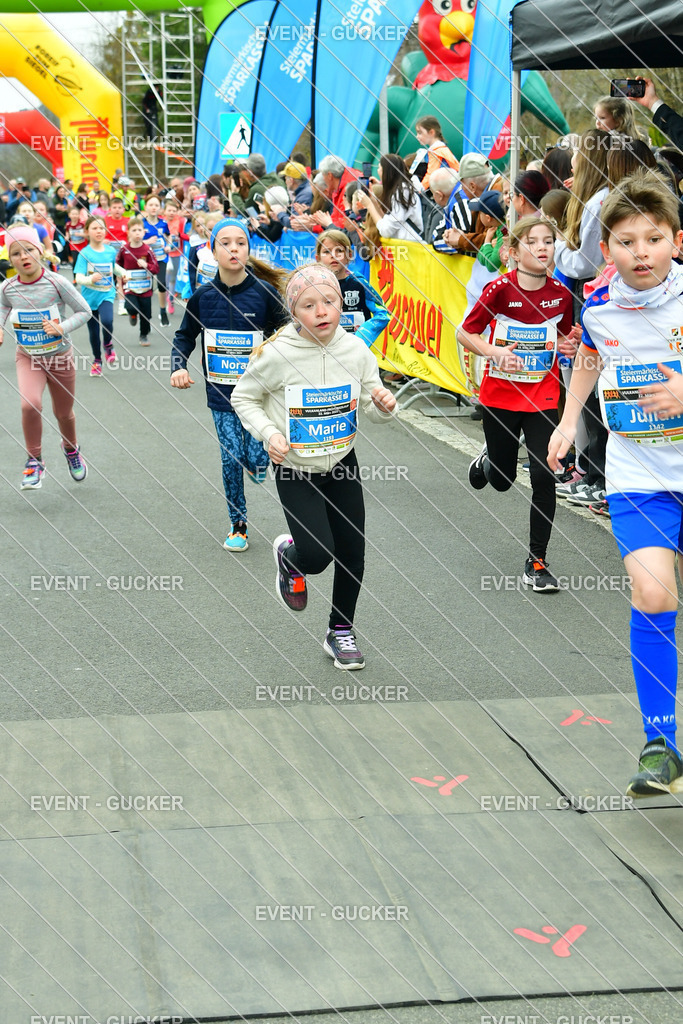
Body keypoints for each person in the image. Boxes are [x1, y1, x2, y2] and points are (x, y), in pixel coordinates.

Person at [548, 171, 683, 797]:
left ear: (675, 241)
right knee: (653, 595)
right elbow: (589, 358)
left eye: (653, 239)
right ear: (607, 251)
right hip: (639, 476)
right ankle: (661, 742)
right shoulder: (598, 307)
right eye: (626, 242)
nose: (641, 252)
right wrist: (571, 420)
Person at [231, 264, 397, 670]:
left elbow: (371, 406)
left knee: (353, 553)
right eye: (309, 305)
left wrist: (383, 406)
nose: (321, 311)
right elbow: (243, 398)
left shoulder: (356, 350)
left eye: (329, 302)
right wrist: (270, 434)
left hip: (342, 462)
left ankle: (340, 631)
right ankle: (292, 558)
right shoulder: (277, 353)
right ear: (293, 311)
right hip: (295, 466)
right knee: (318, 554)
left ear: (341, 304)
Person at [457, 216, 575, 591]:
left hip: (543, 395)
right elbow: (465, 333)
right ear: (513, 251)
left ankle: (537, 562)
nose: (542, 248)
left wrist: (567, 346)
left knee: (544, 475)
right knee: (504, 481)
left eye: (548, 241)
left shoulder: (561, 294)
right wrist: (494, 352)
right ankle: (491, 459)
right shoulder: (499, 290)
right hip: (501, 396)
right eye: (533, 242)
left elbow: (562, 339)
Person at [170, 218, 288, 551]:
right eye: (225, 243)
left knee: (254, 455)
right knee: (230, 457)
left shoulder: (265, 294)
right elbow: (184, 336)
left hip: (261, 394)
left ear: (249, 250)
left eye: (240, 242)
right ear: (212, 250)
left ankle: (259, 461)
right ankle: (238, 524)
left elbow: (287, 335)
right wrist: (178, 366)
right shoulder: (203, 297)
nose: (233, 248)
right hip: (221, 394)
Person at [0, 225, 90, 489]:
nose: (23, 256)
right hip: (28, 357)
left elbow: (84, 311)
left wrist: (61, 327)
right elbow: (3, 307)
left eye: (29, 249)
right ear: (10, 259)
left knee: (63, 413)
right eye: (16, 253)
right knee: (30, 405)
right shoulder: (7, 287)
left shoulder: (56, 282)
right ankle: (34, 461)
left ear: (39, 251)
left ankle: (71, 450)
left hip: (60, 356)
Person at [315, 229, 389, 346]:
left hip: (356, 351)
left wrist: (363, 335)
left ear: (349, 255)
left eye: (339, 250)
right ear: (317, 258)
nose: (333, 255)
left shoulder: (359, 283)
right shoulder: (313, 287)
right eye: (327, 251)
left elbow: (383, 313)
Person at [74, 215, 123, 375]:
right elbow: (78, 277)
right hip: (89, 299)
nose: (99, 231)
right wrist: (90, 279)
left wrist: (124, 273)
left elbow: (114, 268)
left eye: (101, 228)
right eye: (94, 228)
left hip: (106, 294)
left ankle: (108, 344)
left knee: (108, 321)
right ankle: (97, 360)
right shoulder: (84, 253)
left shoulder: (110, 251)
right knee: (93, 332)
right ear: (87, 231)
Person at [356, 153, 423, 241]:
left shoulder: (402, 192)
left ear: (386, 171)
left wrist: (369, 205)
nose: (378, 171)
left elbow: (386, 230)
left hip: (411, 248)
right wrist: (373, 200)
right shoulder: (403, 189)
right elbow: (387, 222)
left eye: (379, 167)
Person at [115, 216, 158, 345]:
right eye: (134, 230)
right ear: (128, 232)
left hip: (145, 288)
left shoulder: (147, 250)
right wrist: (120, 278)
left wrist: (147, 266)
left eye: (140, 230)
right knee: (131, 307)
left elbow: (156, 268)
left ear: (144, 232)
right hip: (130, 287)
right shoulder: (124, 249)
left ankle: (143, 335)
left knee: (146, 315)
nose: (137, 232)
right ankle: (133, 315)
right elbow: (117, 265)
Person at [142, 194, 171, 326]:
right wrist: (146, 242)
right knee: (145, 288)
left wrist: (168, 245)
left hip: (161, 258)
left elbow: (168, 237)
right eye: (151, 205)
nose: (153, 208)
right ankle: (144, 315)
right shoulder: (141, 223)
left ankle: (163, 310)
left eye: (156, 205)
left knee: (162, 283)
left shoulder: (163, 223)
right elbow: (134, 241)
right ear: (146, 207)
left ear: (160, 208)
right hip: (145, 259)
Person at [413, 115, 459, 190]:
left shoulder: (436, 151)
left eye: (420, 133)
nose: (417, 136)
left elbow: (431, 173)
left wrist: (420, 188)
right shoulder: (441, 148)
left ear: (431, 132)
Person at [163, 195, 186, 314]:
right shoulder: (161, 222)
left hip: (176, 253)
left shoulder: (180, 221)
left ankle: (170, 299)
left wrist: (179, 236)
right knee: (166, 279)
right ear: (164, 211)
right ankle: (168, 295)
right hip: (164, 254)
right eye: (169, 210)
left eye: (174, 210)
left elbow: (184, 235)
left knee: (173, 279)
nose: (171, 213)